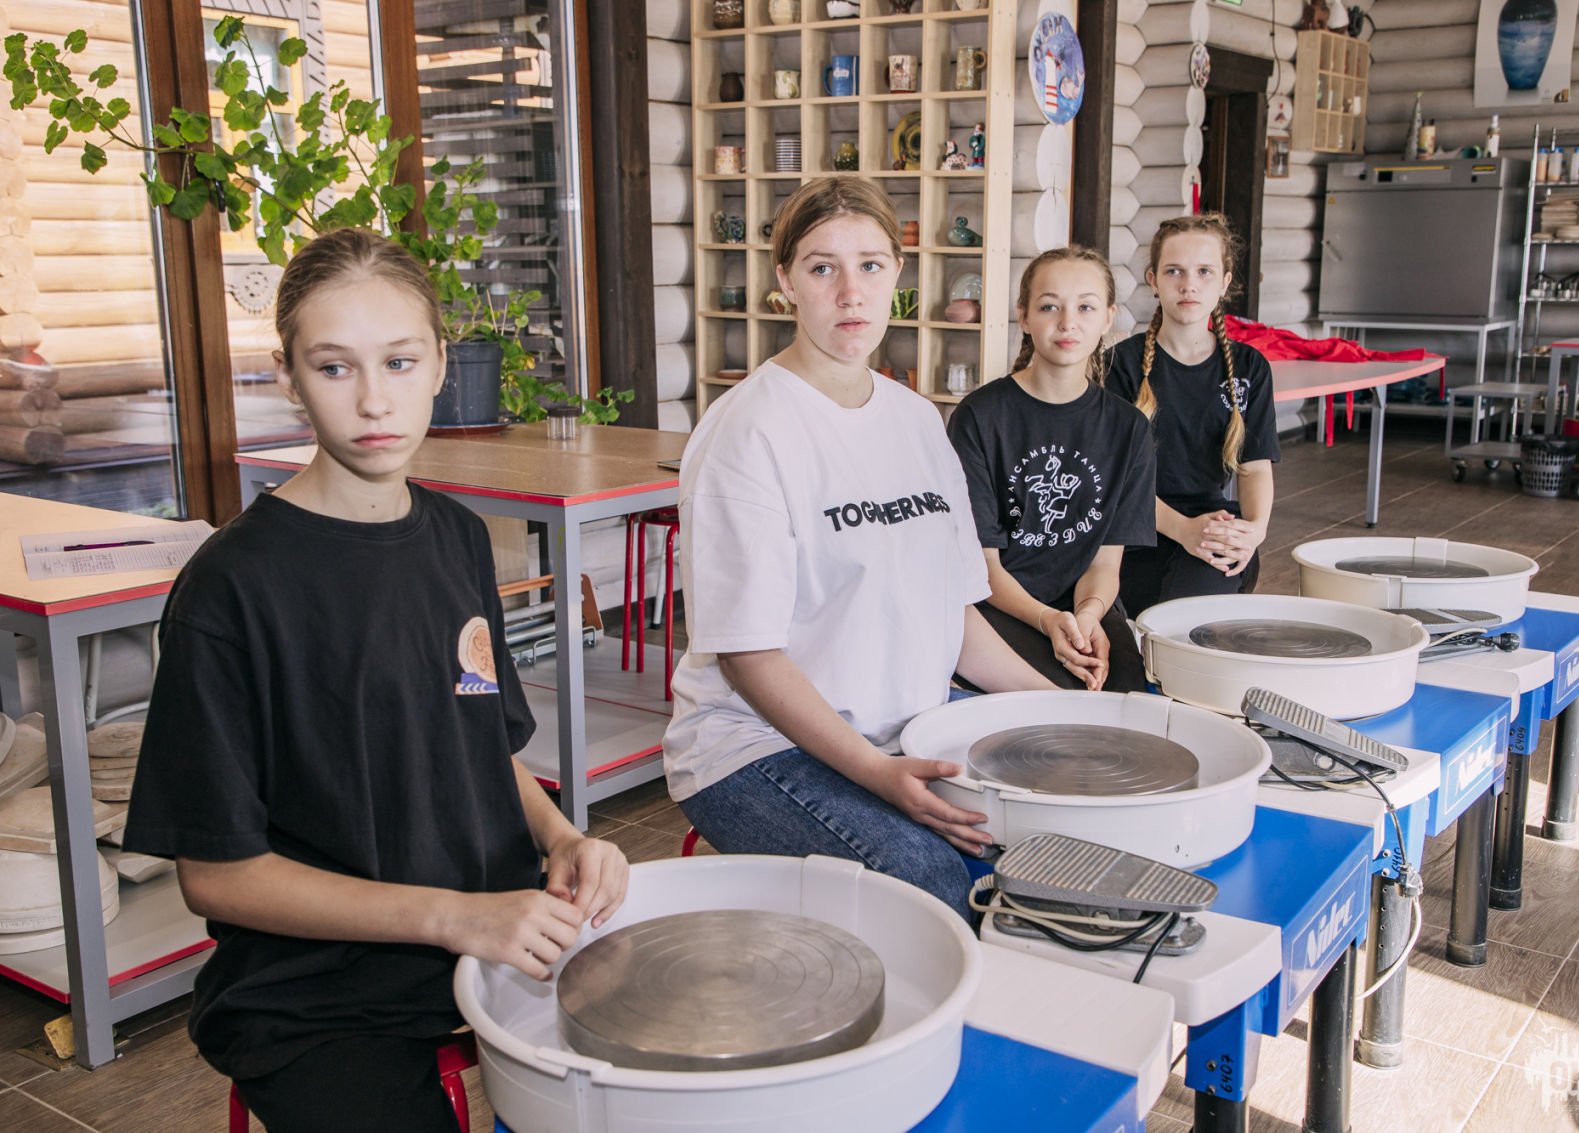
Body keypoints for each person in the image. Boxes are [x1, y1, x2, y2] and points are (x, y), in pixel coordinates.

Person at [121, 227, 629, 1133]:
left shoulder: (458, 537)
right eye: (333, 367)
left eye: (398, 361)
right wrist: (455, 918)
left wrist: (561, 837)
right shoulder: (231, 589)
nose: (372, 400)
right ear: (288, 377)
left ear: (440, 364)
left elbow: (479, 741)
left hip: (491, 937)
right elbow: (216, 876)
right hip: (318, 990)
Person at [663, 176, 1054, 921]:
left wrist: (1061, 709)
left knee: (1048, 828)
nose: (850, 292)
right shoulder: (748, 432)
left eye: (870, 265)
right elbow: (747, 657)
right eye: (822, 268)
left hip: (902, 726)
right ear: (786, 281)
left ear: (897, 274)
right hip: (753, 748)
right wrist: (879, 775)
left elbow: (953, 612)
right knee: (938, 886)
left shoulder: (917, 420)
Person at [947, 245, 1155, 692]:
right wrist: (1046, 619)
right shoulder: (980, 417)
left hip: (1083, 606)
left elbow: (1105, 561)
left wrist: (1087, 616)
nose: (1067, 322)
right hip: (996, 605)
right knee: (1060, 705)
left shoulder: (1129, 428)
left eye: (1085, 307)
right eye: (1049, 306)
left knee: (1127, 701)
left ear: (1108, 318)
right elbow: (982, 565)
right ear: (1023, 316)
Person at [1105, 213, 1279, 618]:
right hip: (1133, 532)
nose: (1189, 284)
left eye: (1204, 271)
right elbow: (1114, 479)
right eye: (1174, 271)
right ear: (1153, 280)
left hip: (1213, 528)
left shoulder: (1249, 367)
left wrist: (1253, 532)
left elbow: (1255, 468)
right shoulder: (1121, 365)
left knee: (1187, 616)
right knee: (1155, 618)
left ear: (1224, 282)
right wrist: (1183, 530)